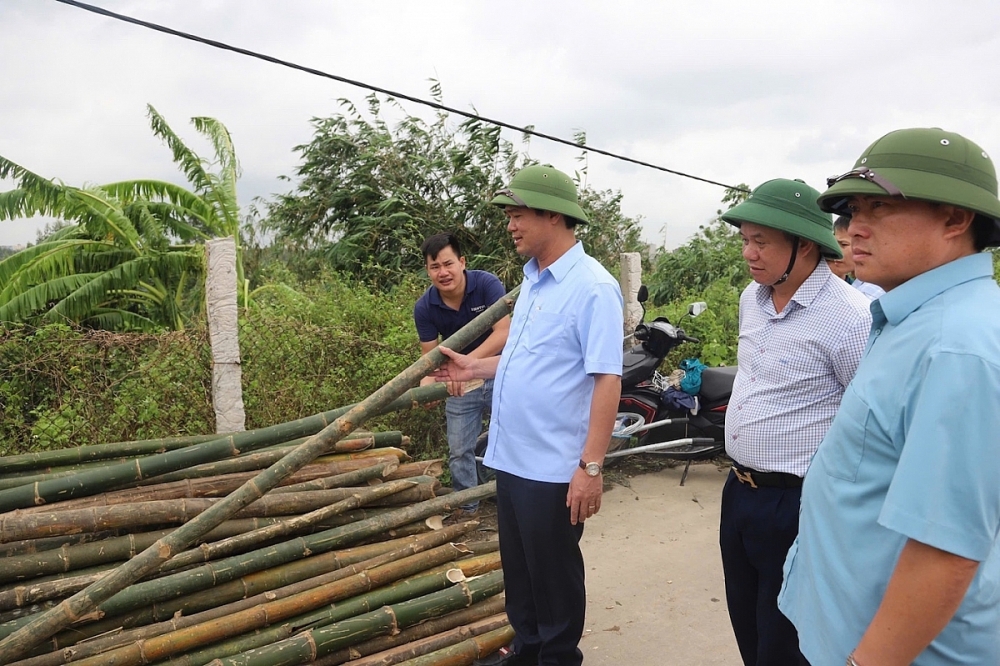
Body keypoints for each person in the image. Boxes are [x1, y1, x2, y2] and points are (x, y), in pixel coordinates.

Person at [779, 128, 1000, 666]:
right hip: (853, 626)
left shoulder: (957, 348)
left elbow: (944, 549)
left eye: (878, 207)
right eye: (852, 211)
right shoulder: (909, 319)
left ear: (955, 219)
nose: (855, 229)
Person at [433, 165, 623, 666]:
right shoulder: (534, 283)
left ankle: (558, 658)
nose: (511, 225)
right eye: (510, 216)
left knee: (554, 580)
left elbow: (607, 378)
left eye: (519, 215)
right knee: (521, 577)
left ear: (554, 217)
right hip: (513, 459)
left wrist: (591, 468)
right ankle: (527, 652)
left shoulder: (593, 288)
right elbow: (522, 358)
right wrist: (475, 364)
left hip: (555, 468)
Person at [719, 178, 872, 666]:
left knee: (788, 642)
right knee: (748, 624)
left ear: (804, 245)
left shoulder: (852, 318)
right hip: (739, 492)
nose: (749, 252)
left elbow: (868, 425)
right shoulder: (752, 298)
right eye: (744, 239)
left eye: (761, 241)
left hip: (799, 503)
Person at [414, 232, 510, 518]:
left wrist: (468, 363)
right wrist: (427, 386)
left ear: (462, 262)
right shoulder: (425, 307)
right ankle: (468, 509)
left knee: (513, 436)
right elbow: (429, 358)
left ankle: (515, 499)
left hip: (498, 373)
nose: (443, 273)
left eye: (448, 264)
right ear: (428, 271)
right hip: (459, 384)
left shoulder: (487, 285)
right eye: (435, 267)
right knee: (458, 450)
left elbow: (504, 332)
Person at [828, 215, 885, 300]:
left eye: (843, 244)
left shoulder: (868, 293)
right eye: (834, 243)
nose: (836, 250)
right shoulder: (857, 285)